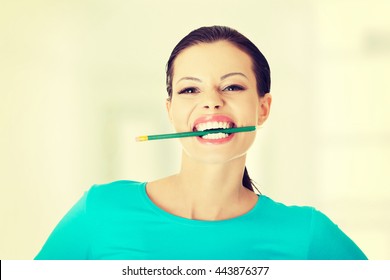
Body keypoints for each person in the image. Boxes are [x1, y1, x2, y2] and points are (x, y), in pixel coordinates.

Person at [34, 26, 367, 260]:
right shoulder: (100, 211)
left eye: (232, 87)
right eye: (190, 89)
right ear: (171, 111)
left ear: (263, 108)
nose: (211, 102)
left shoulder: (306, 234)